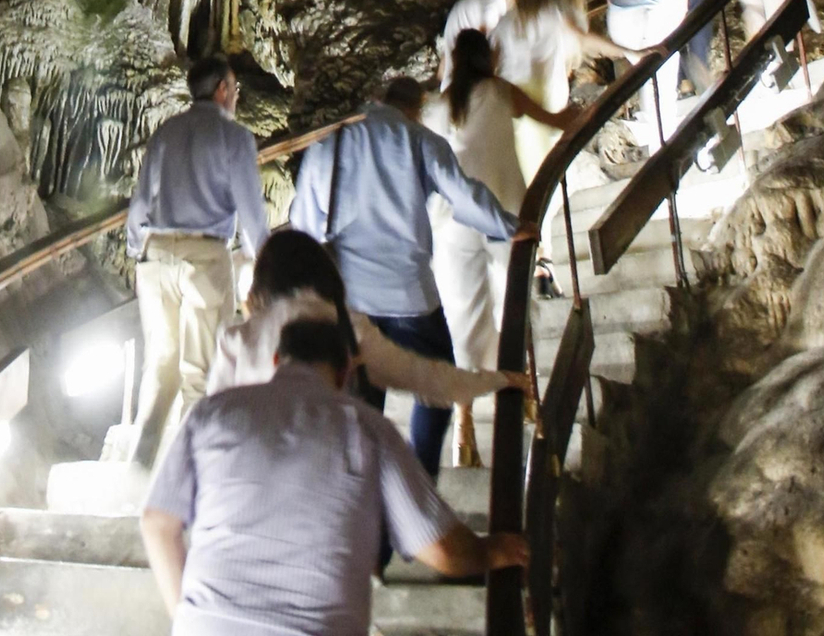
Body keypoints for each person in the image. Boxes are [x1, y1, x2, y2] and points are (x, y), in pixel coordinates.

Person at [141, 313, 530, 636]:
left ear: (278, 360)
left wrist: (190, 618)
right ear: (346, 371)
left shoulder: (213, 412)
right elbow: (442, 550)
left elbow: (157, 523)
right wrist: (492, 550)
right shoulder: (367, 429)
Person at [289, 76, 524, 480]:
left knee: (361, 403)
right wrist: (510, 226)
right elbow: (464, 196)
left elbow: (303, 226)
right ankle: (421, 478)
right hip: (408, 297)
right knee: (437, 389)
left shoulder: (329, 146)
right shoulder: (419, 140)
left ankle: (363, 492)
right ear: (415, 107)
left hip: (351, 303)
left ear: (377, 100)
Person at [424, 28, 583, 464]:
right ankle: (525, 393)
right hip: (505, 217)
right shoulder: (499, 90)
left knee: (464, 320)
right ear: (487, 59)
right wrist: (582, 114)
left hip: (453, 223)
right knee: (510, 308)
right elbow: (555, 119)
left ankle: (464, 429)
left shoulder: (437, 108)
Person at [207, 224, 530, 423]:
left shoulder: (236, 339)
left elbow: (215, 417)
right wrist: (500, 380)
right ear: (325, 273)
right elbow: (428, 378)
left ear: (262, 282)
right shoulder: (349, 327)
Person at [125, 52, 269, 463]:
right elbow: (251, 213)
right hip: (203, 259)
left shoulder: (166, 131)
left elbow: (140, 203)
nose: (236, 97)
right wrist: (262, 261)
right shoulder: (235, 138)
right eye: (236, 89)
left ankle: (142, 462)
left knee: (160, 365)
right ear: (223, 90)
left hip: (156, 259)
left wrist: (138, 249)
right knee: (200, 372)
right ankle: (191, 471)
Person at [495, 0, 634, 188]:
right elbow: (584, 40)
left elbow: (492, 67)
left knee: (522, 181)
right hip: (545, 102)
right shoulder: (551, 15)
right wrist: (630, 52)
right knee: (544, 176)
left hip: (511, 106)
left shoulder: (505, 22)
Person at [604, 0, 688, 150]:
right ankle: (665, 141)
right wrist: (682, 19)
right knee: (664, 77)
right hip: (658, 18)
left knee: (644, 74)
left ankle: (652, 134)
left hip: (622, 24)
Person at [438, 0, 522, 83]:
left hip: (454, 89)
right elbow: (487, 40)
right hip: (474, 90)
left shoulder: (468, 1)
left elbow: (442, 70)